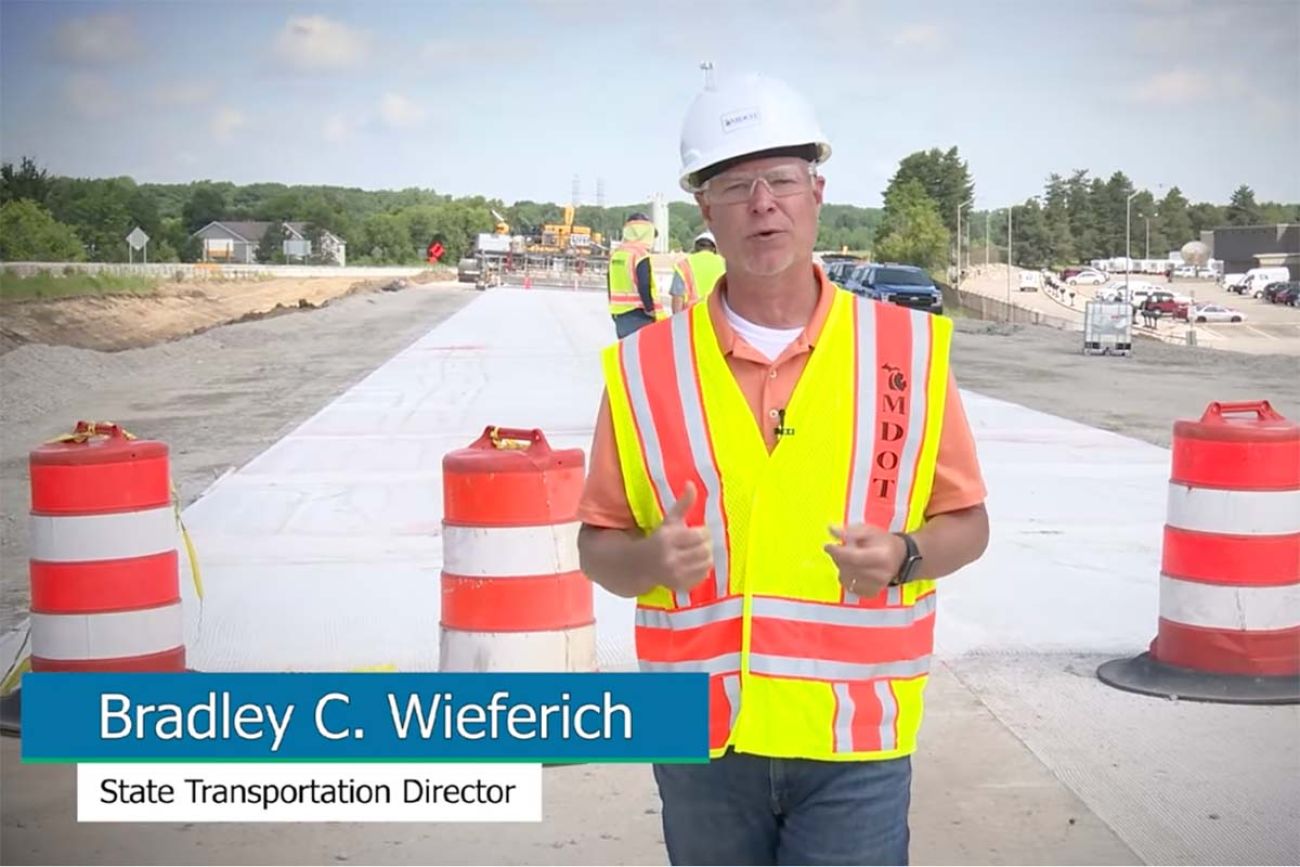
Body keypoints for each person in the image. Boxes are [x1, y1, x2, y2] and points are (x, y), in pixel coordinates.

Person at [576, 68, 990, 866]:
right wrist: (646, 559)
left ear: (817, 192)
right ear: (706, 209)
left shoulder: (904, 351)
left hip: (853, 737)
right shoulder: (644, 369)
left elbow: (967, 522)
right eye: (735, 184)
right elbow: (598, 545)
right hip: (696, 734)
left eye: (782, 180)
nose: (762, 202)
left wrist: (905, 555)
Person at [607, 212, 661, 338]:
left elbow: (610, 283)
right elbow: (644, 284)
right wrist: (650, 309)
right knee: (642, 354)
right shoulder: (640, 255)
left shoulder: (616, 254)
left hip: (619, 315)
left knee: (627, 354)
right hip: (639, 314)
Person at [670, 230, 726, 313]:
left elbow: (678, 296)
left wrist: (677, 321)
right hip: (718, 315)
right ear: (714, 248)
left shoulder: (683, 264)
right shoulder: (724, 264)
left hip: (692, 316)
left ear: (695, 247)